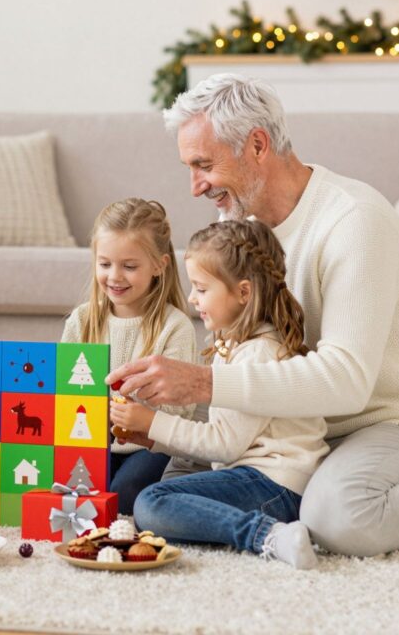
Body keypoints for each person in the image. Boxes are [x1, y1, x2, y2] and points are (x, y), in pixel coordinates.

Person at [107, 73, 399, 557]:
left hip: (394, 423)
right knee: (157, 481)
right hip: (300, 430)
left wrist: (203, 383)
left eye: (204, 165)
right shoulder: (238, 225)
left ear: (257, 145)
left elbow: (347, 380)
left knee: (336, 519)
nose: (194, 186)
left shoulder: (354, 220)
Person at [115, 220, 327, 569]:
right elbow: (225, 443)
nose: (191, 298)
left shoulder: (258, 354)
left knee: (151, 502)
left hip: (275, 486)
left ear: (243, 292)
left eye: (200, 288)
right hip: (260, 478)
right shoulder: (237, 345)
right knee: (163, 494)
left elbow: (224, 444)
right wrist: (153, 439)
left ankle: (267, 535)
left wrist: (153, 422)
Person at [61, 198, 195, 514]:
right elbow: (63, 392)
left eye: (130, 266)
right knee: (78, 489)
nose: (115, 277)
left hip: (149, 446)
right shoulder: (82, 320)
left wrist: (139, 416)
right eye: (105, 264)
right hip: (91, 439)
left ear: (159, 265)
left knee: (123, 496)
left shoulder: (174, 326)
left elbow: (184, 412)